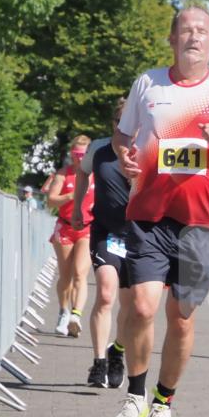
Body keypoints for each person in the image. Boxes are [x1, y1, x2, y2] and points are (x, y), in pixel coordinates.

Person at [110, 5, 209, 417]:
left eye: (203, 31)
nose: (194, 37)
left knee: (183, 318)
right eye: (186, 30)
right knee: (140, 306)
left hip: (200, 224)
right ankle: (134, 397)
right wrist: (123, 154)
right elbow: (123, 134)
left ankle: (162, 405)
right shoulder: (148, 83)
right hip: (150, 215)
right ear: (172, 39)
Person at [73, 101, 131, 389]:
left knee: (134, 309)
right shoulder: (98, 148)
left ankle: (117, 350)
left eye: (129, 119)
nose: (123, 125)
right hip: (105, 231)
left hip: (139, 236)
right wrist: (76, 208)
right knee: (107, 295)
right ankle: (99, 364)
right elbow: (82, 172)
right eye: (118, 120)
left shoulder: (149, 149)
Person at [47, 136, 95, 338]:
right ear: (71, 154)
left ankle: (76, 315)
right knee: (65, 276)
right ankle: (63, 311)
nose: (79, 158)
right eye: (76, 154)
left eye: (83, 155)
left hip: (88, 228)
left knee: (80, 273)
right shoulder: (62, 174)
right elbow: (50, 201)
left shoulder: (96, 175)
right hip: (65, 228)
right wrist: (71, 195)